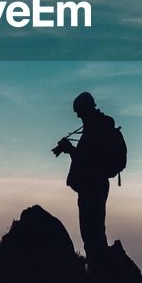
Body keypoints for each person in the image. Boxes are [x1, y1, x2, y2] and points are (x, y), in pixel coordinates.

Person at [53, 91, 116, 261]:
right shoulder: (97, 127)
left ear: (86, 108)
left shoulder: (95, 130)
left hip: (92, 187)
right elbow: (88, 160)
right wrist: (72, 150)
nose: (78, 116)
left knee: (91, 233)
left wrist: (70, 150)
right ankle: (100, 270)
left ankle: (100, 273)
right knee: (94, 232)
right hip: (95, 185)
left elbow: (88, 162)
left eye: (79, 112)